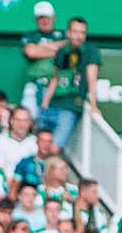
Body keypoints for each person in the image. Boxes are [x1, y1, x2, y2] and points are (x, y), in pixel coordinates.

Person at [40, 17, 99, 152]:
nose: (79, 36)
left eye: (82, 33)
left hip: (71, 106)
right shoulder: (62, 51)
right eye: (75, 32)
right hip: (52, 105)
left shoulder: (90, 50)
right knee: (41, 147)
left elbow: (92, 79)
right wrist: (45, 101)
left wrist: (93, 105)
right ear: (68, 33)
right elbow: (55, 77)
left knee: (54, 148)